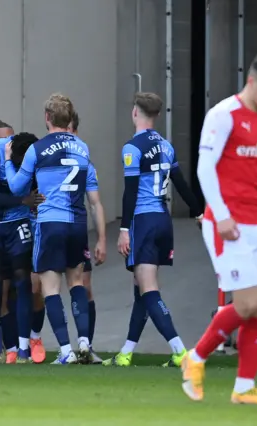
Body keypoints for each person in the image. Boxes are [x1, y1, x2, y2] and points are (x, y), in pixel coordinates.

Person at [182, 52, 257, 405]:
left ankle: (244, 388)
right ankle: (195, 358)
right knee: (246, 304)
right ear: (253, 81)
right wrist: (223, 214)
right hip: (226, 223)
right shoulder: (223, 115)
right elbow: (204, 167)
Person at [5, 93, 107, 364]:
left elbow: (17, 188)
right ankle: (84, 341)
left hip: (50, 222)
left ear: (47, 118)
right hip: (77, 223)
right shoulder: (83, 148)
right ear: (70, 118)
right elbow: (95, 199)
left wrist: (6, 161)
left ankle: (65, 351)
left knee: (50, 288)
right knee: (76, 283)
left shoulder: (36, 149)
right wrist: (102, 238)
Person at [105, 92, 203, 368]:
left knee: (148, 288)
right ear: (157, 115)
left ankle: (180, 351)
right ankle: (125, 353)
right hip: (162, 220)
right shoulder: (166, 146)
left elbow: (131, 191)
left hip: (144, 221)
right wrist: (199, 212)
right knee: (141, 289)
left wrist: (124, 228)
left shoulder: (132, 148)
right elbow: (182, 184)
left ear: (135, 112)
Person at [0, 131, 42, 363]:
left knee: (23, 282)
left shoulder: (34, 153)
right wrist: (21, 201)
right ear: (11, 151)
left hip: (18, 224)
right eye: (17, 162)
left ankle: (23, 349)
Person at [67, 111, 101, 364]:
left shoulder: (84, 161)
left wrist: (101, 238)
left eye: (71, 131)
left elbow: (95, 202)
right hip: (47, 228)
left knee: (84, 287)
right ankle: (30, 344)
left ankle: (86, 346)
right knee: (41, 287)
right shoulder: (45, 157)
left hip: (76, 229)